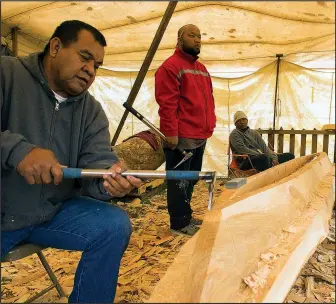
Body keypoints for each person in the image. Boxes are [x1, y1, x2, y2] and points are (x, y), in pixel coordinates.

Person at [1, 20, 142, 303]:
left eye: (97, 66)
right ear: (55, 47)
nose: (90, 70)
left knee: (114, 225)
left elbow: (97, 164)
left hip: (50, 212)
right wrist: (17, 151)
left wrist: (109, 181)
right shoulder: (7, 74)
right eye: (85, 58)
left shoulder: (91, 110)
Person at [155, 24, 216, 237]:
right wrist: (170, 132)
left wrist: (211, 123)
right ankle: (178, 223)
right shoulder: (171, 67)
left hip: (200, 134)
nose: (197, 40)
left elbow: (209, 100)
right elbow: (167, 103)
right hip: (182, 136)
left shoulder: (202, 70)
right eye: (192, 35)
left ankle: (186, 216)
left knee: (190, 179)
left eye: (200, 36)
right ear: (179, 39)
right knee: (178, 180)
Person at [229, 111, 295, 172]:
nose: (242, 122)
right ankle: (270, 175)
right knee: (264, 158)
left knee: (290, 156)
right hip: (245, 161)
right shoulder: (234, 134)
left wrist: (274, 157)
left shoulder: (254, 133)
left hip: (262, 156)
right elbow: (242, 150)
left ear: (247, 120)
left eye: (243, 119)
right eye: (239, 121)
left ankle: (277, 171)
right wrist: (261, 154)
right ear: (235, 123)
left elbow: (264, 148)